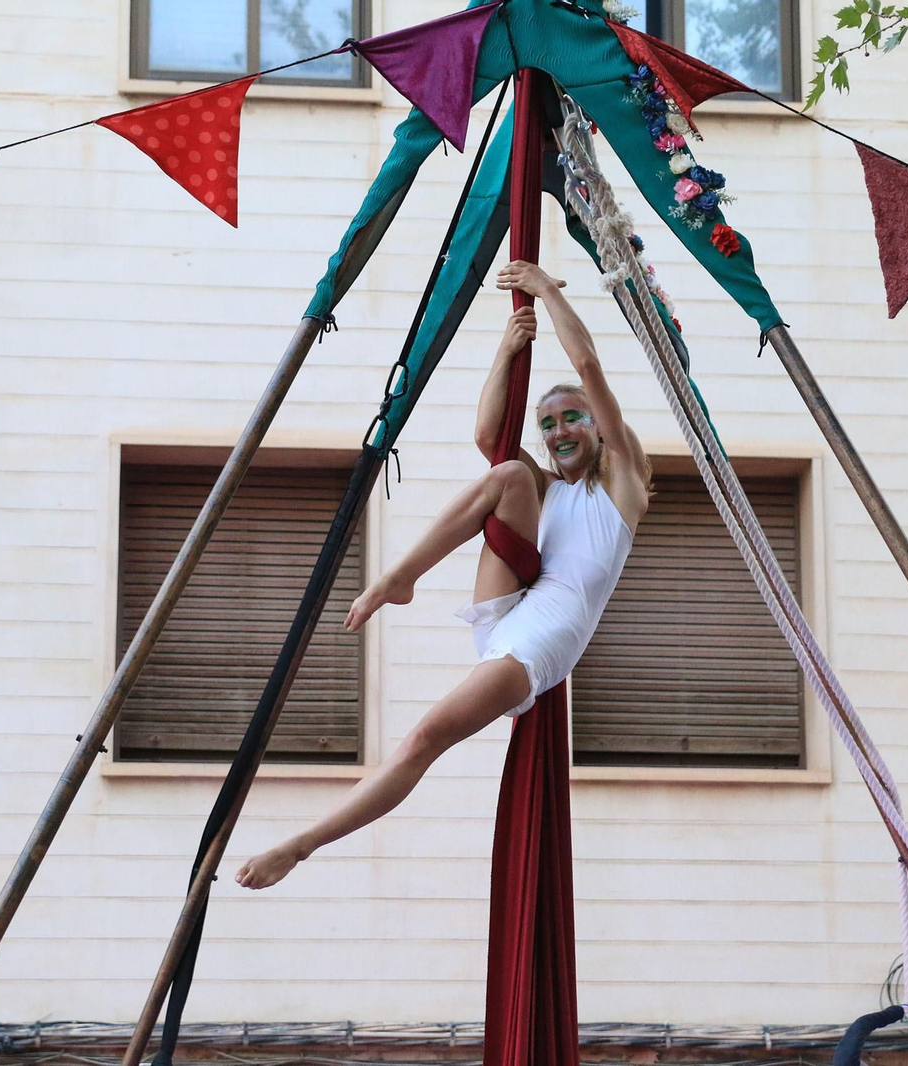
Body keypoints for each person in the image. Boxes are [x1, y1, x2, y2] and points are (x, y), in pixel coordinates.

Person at [235, 260, 651, 890]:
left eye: (572, 418)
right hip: (513, 607)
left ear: (597, 427)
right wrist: (505, 351)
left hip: (541, 643)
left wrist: (541, 291)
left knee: (426, 736)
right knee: (506, 474)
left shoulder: (622, 482)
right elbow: (489, 436)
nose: (560, 430)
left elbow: (589, 368)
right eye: (548, 425)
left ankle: (301, 845)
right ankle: (398, 577)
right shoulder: (546, 486)